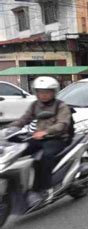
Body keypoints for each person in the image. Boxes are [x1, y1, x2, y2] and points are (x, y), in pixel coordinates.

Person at [9, 77, 72, 207]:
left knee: (45, 157)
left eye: (47, 92)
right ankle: (17, 184)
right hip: (38, 137)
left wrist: (46, 132)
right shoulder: (35, 105)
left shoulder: (61, 106)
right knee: (14, 151)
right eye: (40, 92)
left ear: (54, 92)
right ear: (36, 92)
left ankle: (46, 188)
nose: (43, 95)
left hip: (57, 138)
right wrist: (10, 128)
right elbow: (24, 119)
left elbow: (62, 124)